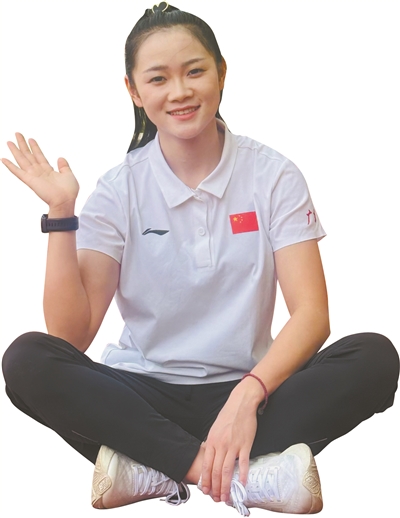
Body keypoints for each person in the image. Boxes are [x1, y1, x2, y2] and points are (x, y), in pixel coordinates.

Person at [1, 3, 399, 516]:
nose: (180, 91)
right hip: (143, 397)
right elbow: (69, 337)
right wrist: (61, 213)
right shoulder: (119, 189)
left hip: (251, 393)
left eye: (194, 71)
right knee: (27, 360)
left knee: (375, 357)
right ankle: (239, 477)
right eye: (158, 78)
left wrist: (247, 397)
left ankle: (151, 466)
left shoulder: (273, 176)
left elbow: (312, 316)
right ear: (134, 91)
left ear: (221, 73)